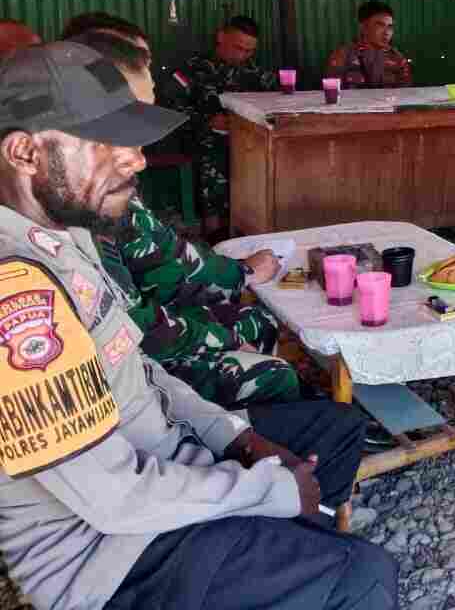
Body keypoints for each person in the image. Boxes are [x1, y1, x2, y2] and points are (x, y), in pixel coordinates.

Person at [0, 41, 397, 610]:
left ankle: (292, 559)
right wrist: (268, 488)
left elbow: (139, 370)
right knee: (363, 576)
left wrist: (234, 436)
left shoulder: (68, 235)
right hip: (112, 556)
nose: (136, 160)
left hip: (164, 462)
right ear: (24, 152)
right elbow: (115, 498)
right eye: (106, 142)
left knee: (333, 430)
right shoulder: (16, 295)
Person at [71, 29, 300, 409]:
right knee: (272, 369)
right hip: (131, 369)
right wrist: (225, 329)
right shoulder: (79, 213)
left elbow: (162, 256)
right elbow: (142, 317)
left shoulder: (99, 190)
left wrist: (235, 281)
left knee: (255, 322)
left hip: (151, 326)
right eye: (123, 130)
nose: (138, 159)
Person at [159, 16, 277, 239]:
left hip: (246, 141)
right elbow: (169, 107)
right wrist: (207, 121)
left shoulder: (258, 74)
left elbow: (274, 106)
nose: (242, 56)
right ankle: (214, 234)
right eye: (238, 48)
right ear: (221, 37)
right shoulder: (193, 69)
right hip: (201, 139)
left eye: (249, 51)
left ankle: (255, 229)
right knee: (213, 155)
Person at [325, 0, 412, 90]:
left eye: (390, 26)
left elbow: (405, 92)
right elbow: (332, 91)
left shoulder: (397, 58)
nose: (387, 32)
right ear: (363, 27)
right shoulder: (343, 55)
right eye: (380, 25)